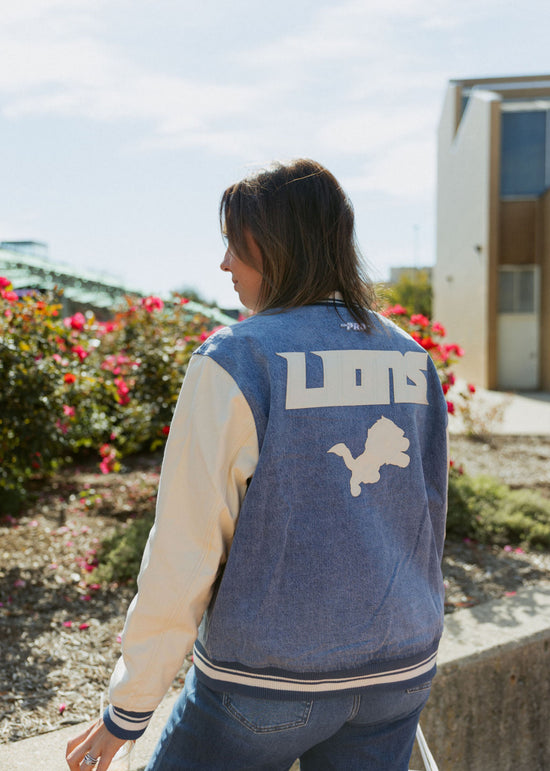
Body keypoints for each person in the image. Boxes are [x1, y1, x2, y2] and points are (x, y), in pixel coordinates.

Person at [66, 159, 448, 771]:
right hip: (397, 676)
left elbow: (186, 547)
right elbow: (426, 514)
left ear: (275, 245)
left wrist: (128, 710)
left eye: (233, 244)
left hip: (265, 688)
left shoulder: (237, 359)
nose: (223, 265)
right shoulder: (410, 357)